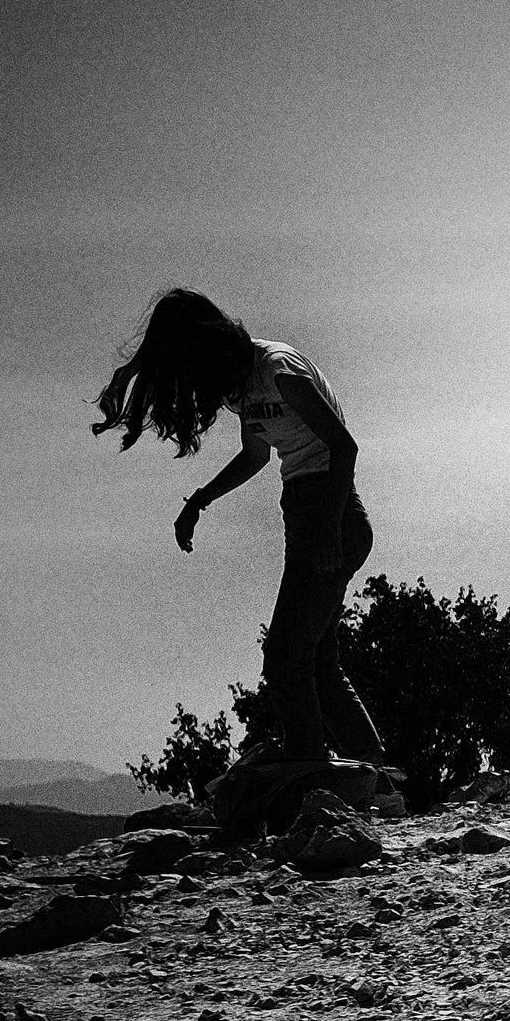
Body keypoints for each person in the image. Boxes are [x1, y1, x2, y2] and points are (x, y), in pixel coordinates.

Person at [93, 288, 383, 767]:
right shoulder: (243, 387)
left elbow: (344, 447)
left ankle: (310, 777)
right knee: (318, 661)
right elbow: (255, 455)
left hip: (330, 513)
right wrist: (200, 501)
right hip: (304, 512)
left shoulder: (277, 371)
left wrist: (329, 531)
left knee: (286, 660)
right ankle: (378, 783)